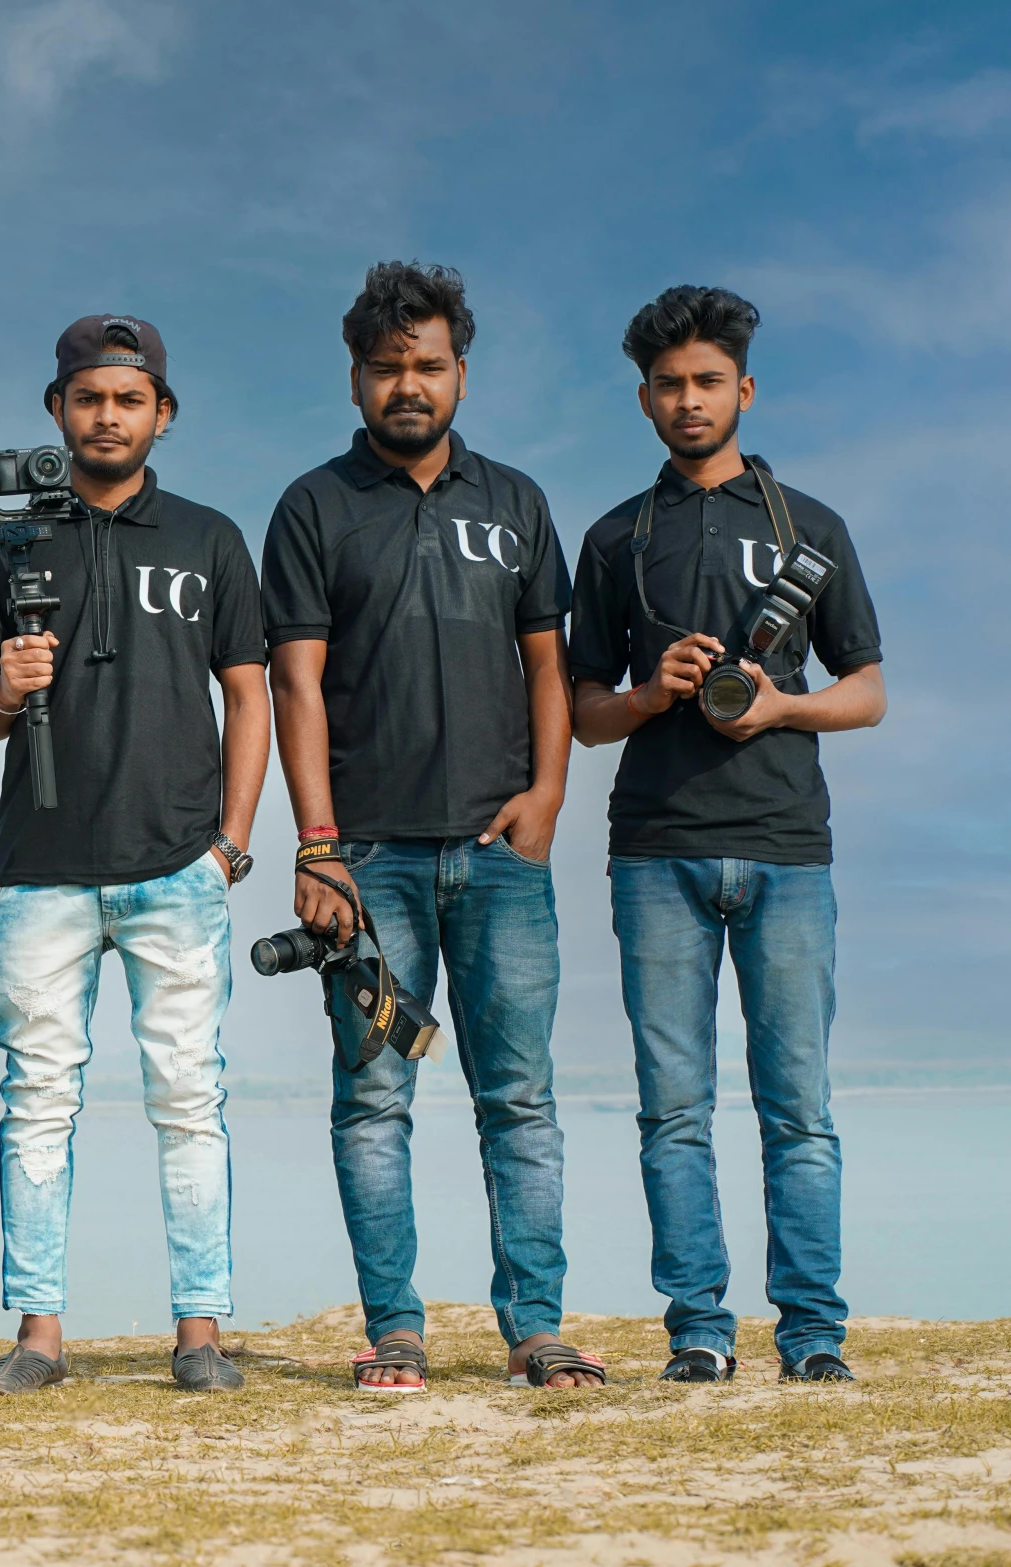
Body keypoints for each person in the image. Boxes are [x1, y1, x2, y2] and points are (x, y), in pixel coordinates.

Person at [262, 263, 602, 1391]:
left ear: (459, 370)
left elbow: (547, 664)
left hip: (501, 856)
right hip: (369, 863)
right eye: (385, 366)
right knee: (373, 1096)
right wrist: (316, 843)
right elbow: (294, 686)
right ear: (356, 378)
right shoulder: (313, 507)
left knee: (519, 1097)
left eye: (428, 364)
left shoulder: (516, 504)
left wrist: (547, 794)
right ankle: (394, 1330)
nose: (407, 384)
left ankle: (535, 1327)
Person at [570, 287, 884, 1385]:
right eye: (667, 384)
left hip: (789, 847)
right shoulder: (616, 537)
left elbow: (869, 690)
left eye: (706, 381)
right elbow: (580, 711)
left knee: (799, 1110)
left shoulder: (813, 529)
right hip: (654, 850)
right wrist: (652, 692)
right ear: (645, 399)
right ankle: (698, 1330)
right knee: (674, 1110)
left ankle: (812, 1337)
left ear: (741, 390)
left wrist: (780, 707)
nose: (687, 399)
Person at [0, 316, 270, 1396]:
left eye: (127, 399)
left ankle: (199, 1333)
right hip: (40, 864)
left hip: (177, 861)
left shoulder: (210, 538)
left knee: (189, 1096)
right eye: (87, 397)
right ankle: (39, 1336)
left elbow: (246, 690)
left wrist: (230, 840)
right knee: (37, 1095)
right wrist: (5, 687)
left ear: (160, 415)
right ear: (57, 409)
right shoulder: (7, 540)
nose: (106, 415)